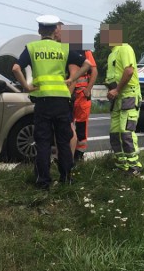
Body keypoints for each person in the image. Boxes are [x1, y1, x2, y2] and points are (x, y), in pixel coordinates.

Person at [12, 15, 90, 190]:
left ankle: (43, 182)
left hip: (43, 101)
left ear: (39, 30)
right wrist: (72, 79)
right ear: (55, 30)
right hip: (62, 100)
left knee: (43, 142)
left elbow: (16, 68)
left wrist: (26, 86)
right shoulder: (63, 48)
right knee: (63, 141)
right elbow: (86, 65)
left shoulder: (31, 48)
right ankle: (66, 178)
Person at [102, 24, 143, 176]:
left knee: (126, 132)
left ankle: (134, 166)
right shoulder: (112, 53)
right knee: (115, 132)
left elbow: (129, 70)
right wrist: (112, 90)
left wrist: (117, 89)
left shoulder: (124, 48)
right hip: (117, 97)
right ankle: (122, 165)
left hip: (128, 95)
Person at [69, 47, 98, 161]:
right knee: (66, 124)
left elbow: (94, 71)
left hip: (81, 94)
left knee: (81, 126)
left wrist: (88, 89)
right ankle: (67, 153)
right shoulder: (62, 49)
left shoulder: (85, 51)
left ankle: (79, 154)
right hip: (69, 93)